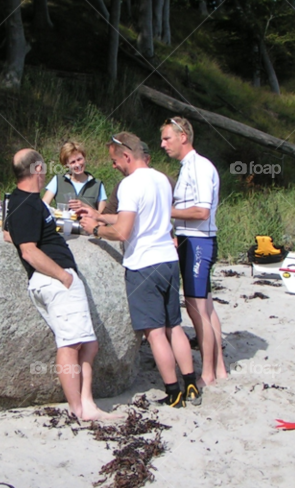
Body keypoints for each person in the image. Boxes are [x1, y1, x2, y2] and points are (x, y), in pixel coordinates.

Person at [77, 132, 200, 408]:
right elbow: (139, 215)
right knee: (175, 327)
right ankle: (190, 383)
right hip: (168, 260)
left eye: (114, 160)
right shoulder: (162, 180)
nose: (112, 166)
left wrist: (95, 229)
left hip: (143, 265)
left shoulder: (130, 185)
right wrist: (99, 214)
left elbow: (122, 231)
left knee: (155, 333)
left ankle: (172, 391)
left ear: (127, 156)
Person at [7, 149, 121, 421]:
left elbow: (9, 233)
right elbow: (28, 251)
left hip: (58, 278)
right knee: (70, 345)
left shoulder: (31, 202)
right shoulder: (25, 203)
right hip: (55, 280)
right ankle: (81, 408)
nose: (45, 171)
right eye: (43, 167)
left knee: (88, 343)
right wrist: (63, 276)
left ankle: (85, 401)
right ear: (37, 169)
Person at [160, 116, 225, 388]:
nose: (163, 144)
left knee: (197, 307)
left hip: (199, 240)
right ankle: (220, 367)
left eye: (167, 138)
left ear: (183, 136)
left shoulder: (199, 166)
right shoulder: (187, 166)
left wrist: (163, 210)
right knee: (206, 307)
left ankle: (207, 372)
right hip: (190, 238)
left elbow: (201, 211)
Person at [42, 141, 108, 213]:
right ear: (66, 165)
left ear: (84, 158)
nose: (77, 164)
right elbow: (43, 206)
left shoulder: (97, 184)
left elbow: (103, 216)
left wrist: (84, 207)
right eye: (73, 162)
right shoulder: (58, 180)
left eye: (79, 159)